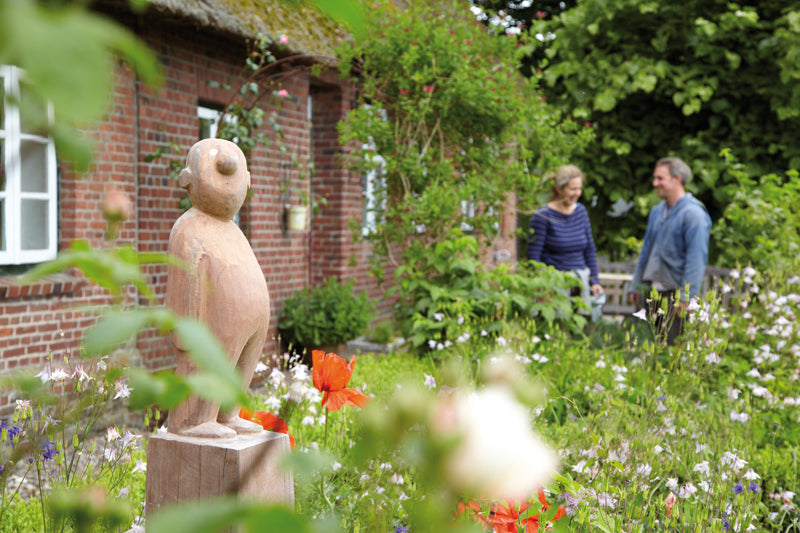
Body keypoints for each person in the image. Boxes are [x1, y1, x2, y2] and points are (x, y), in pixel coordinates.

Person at [626, 157, 712, 344]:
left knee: (672, 351)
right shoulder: (657, 212)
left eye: (660, 178)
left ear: (677, 179)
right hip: (652, 294)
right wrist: (635, 284)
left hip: (675, 298)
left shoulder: (693, 214)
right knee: (647, 349)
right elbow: (646, 252)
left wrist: (685, 298)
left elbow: (696, 260)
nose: (654, 183)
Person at [527, 164, 604, 321]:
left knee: (578, 331)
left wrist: (595, 281)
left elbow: (589, 249)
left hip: (580, 284)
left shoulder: (581, 212)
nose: (577, 193)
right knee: (554, 329)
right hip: (554, 285)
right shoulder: (542, 216)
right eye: (572, 189)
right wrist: (542, 288)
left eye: (579, 188)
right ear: (559, 189)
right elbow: (533, 258)